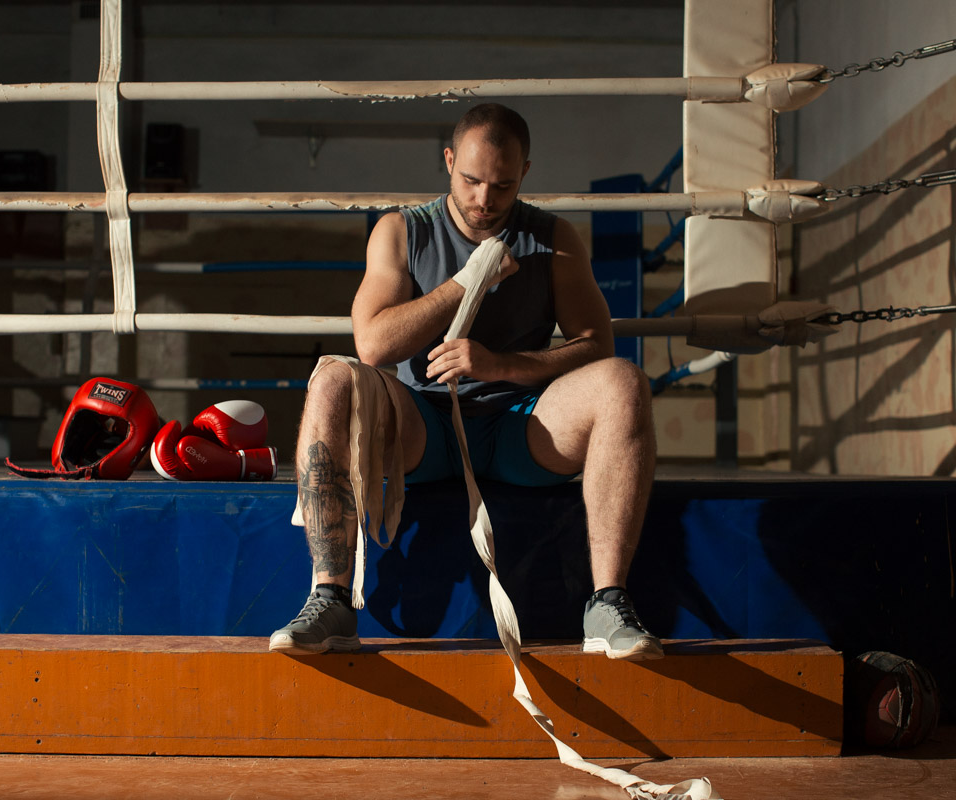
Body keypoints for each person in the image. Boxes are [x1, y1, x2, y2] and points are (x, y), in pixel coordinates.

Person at [269, 103, 662, 661]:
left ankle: (608, 604)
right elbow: (374, 345)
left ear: (525, 172)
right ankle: (330, 599)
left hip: (522, 427)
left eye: (502, 185)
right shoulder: (402, 231)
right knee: (333, 379)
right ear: (449, 160)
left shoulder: (553, 238)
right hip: (423, 425)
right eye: (472, 180)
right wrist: (468, 280)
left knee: (622, 382)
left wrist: (501, 366)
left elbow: (596, 345)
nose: (484, 200)